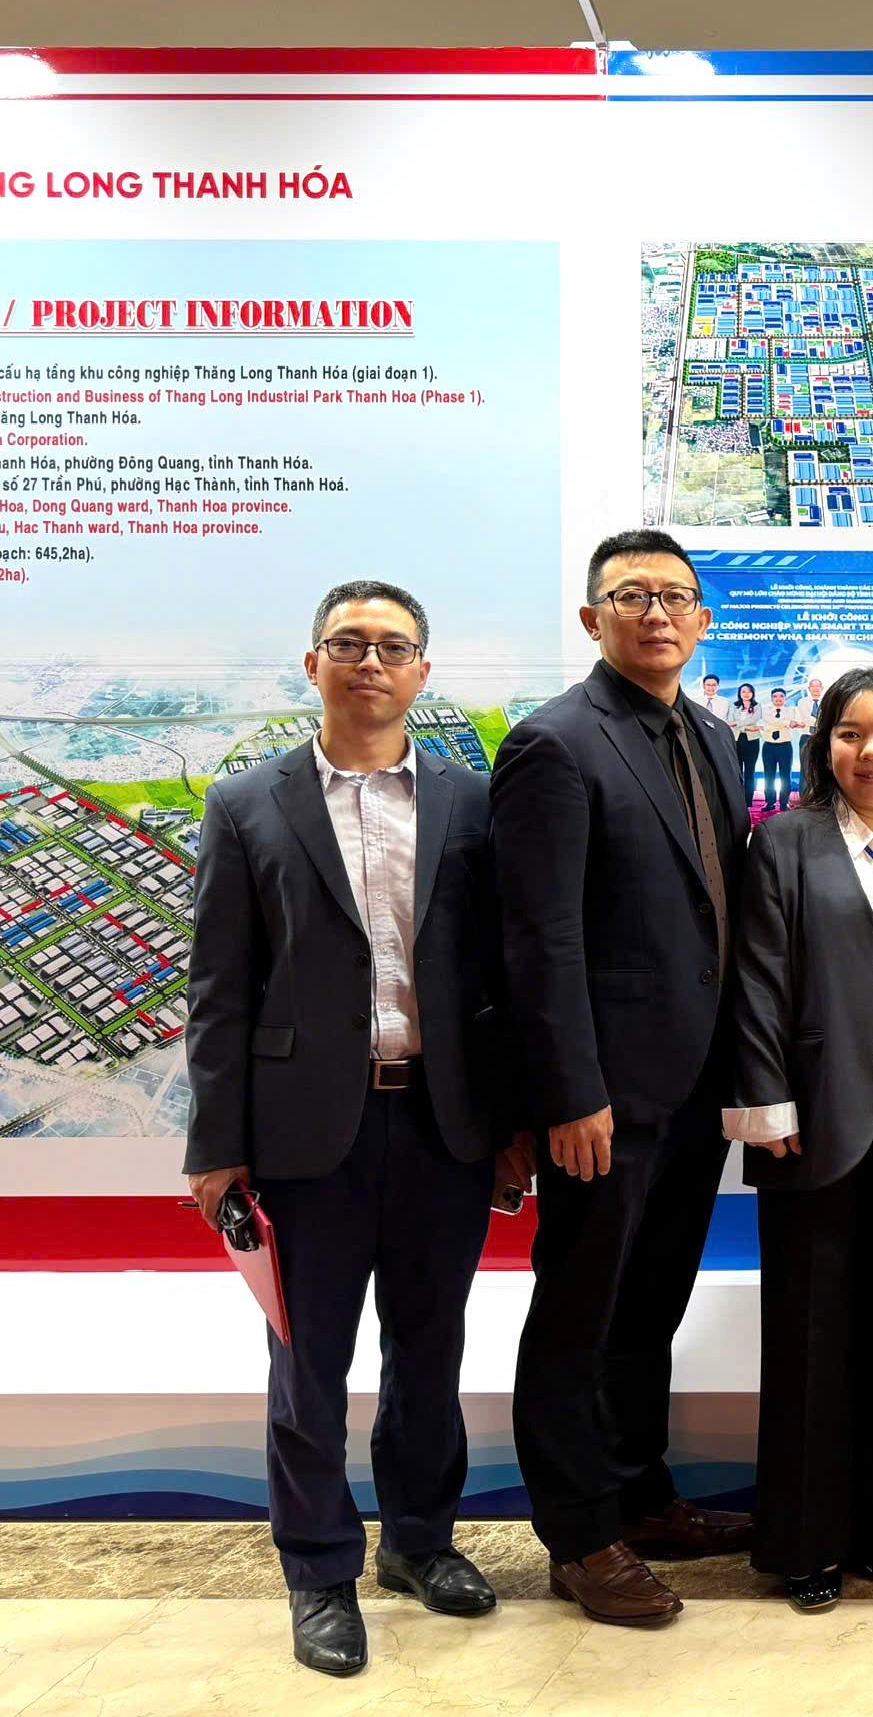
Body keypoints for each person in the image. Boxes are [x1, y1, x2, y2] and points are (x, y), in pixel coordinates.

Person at [183, 580, 527, 1677]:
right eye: (348, 643)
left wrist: (512, 1121)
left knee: (430, 1352)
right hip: (302, 1135)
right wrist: (215, 1145)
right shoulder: (248, 803)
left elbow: (502, 976)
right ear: (313, 663)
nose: (370, 661)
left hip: (443, 1123)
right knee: (309, 1368)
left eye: (392, 646)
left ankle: (420, 1542)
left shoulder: (473, 803)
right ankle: (320, 1570)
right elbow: (219, 991)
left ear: (423, 670)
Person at [495, 530, 752, 1626]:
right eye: (632, 595)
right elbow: (538, 936)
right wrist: (568, 1093)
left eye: (675, 597)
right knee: (581, 1314)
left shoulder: (715, 736)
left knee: (651, 1307)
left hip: (694, 1089)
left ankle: (641, 1496)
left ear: (702, 620)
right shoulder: (555, 743)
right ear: (592, 617)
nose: (656, 613)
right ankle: (579, 1534)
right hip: (603, 1099)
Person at [727, 668, 873, 1609]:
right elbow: (757, 977)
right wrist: (765, 1101)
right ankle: (805, 1540)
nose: (871, 752)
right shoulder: (785, 840)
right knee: (811, 1327)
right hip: (817, 1111)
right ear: (823, 746)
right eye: (849, 734)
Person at [759, 687, 798, 811]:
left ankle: (783, 802)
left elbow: (771, 723)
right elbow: (768, 721)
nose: (778, 699)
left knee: (785, 775)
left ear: (785, 698)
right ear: (771, 698)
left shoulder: (791, 710)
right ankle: (770, 802)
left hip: (785, 746)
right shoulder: (765, 710)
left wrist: (770, 726)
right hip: (769, 746)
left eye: (781, 696)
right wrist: (786, 723)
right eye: (775, 696)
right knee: (768, 775)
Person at [728, 681, 760, 794]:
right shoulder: (733, 706)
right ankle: (738, 797)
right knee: (737, 771)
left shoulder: (757, 706)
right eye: (743, 691)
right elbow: (729, 722)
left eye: (749, 692)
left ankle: (748, 799)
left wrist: (737, 724)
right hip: (736, 740)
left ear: (753, 693)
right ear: (739, 693)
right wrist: (746, 727)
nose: (746, 694)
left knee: (750, 771)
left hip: (752, 741)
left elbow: (754, 719)